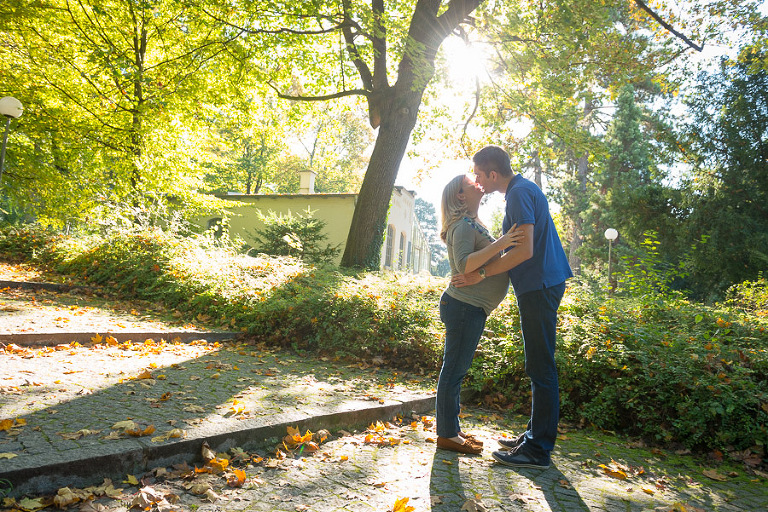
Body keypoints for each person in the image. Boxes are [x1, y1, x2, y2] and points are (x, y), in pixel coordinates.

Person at [452, 145, 573, 469]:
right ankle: (535, 435)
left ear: (493, 174)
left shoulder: (518, 194)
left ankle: (537, 450)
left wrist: (480, 274)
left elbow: (524, 251)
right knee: (539, 363)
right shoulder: (523, 190)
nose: (477, 181)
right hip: (542, 284)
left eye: (479, 175)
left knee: (540, 365)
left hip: (539, 285)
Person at [436, 173, 524, 455]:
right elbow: (464, 265)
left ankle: (452, 429)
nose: (477, 181)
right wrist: (503, 242)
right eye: (469, 182)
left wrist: (500, 242)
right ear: (460, 196)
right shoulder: (462, 225)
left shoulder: (473, 223)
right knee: (454, 370)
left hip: (470, 307)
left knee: (457, 370)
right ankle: (447, 435)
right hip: (463, 306)